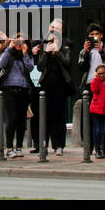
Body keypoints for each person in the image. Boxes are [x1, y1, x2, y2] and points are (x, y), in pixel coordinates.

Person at [35, 20, 74, 154]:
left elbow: (68, 63)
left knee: (59, 116)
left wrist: (57, 52)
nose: (52, 32)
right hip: (46, 84)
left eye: (55, 29)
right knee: (46, 115)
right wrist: (46, 52)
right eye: (51, 29)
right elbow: (40, 67)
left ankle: (59, 145)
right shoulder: (44, 45)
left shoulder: (66, 47)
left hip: (60, 85)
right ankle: (44, 143)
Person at [0, 33, 31, 158]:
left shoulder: (24, 55)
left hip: (23, 90)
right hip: (9, 89)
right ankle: (10, 147)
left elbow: (29, 68)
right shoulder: (8, 54)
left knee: (21, 121)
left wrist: (25, 53)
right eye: (17, 42)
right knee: (12, 119)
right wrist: (9, 47)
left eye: (21, 42)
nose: (19, 45)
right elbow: (1, 64)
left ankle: (19, 147)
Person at [88, 63, 105, 158]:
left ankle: (104, 148)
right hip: (97, 109)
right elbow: (94, 90)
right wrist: (96, 79)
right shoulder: (96, 81)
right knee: (97, 129)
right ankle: (97, 149)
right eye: (99, 74)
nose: (101, 75)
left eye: (103, 73)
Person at [77, 23, 105, 88]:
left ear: (101, 35)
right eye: (92, 34)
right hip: (89, 82)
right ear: (88, 36)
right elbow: (82, 69)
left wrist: (101, 51)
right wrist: (86, 53)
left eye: (96, 34)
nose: (94, 36)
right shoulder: (83, 51)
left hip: (104, 83)